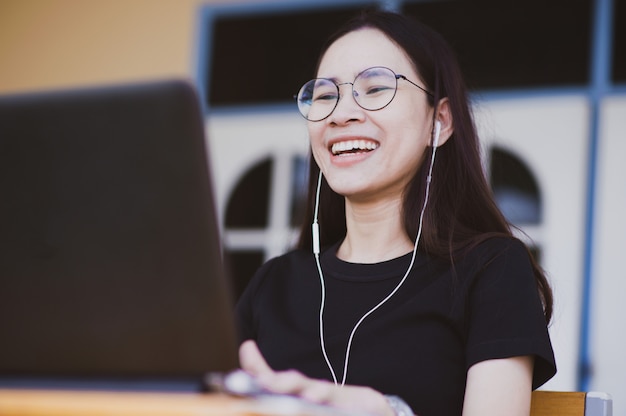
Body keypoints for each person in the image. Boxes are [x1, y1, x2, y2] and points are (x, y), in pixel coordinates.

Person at [235, 9, 556, 416]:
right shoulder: (273, 284)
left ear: (438, 122)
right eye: (325, 94)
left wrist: (387, 411)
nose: (341, 113)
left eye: (375, 88)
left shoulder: (491, 270)